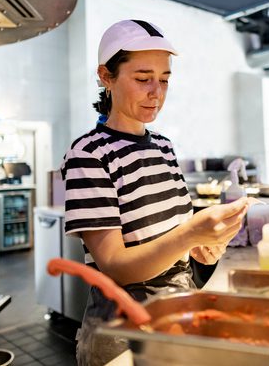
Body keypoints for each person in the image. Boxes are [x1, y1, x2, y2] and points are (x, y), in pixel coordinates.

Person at [61, 19, 250, 365]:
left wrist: (204, 250)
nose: (156, 93)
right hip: (123, 333)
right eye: (143, 78)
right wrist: (190, 233)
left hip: (178, 314)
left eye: (164, 80)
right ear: (106, 76)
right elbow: (116, 266)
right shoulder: (88, 154)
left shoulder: (163, 147)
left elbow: (174, 246)